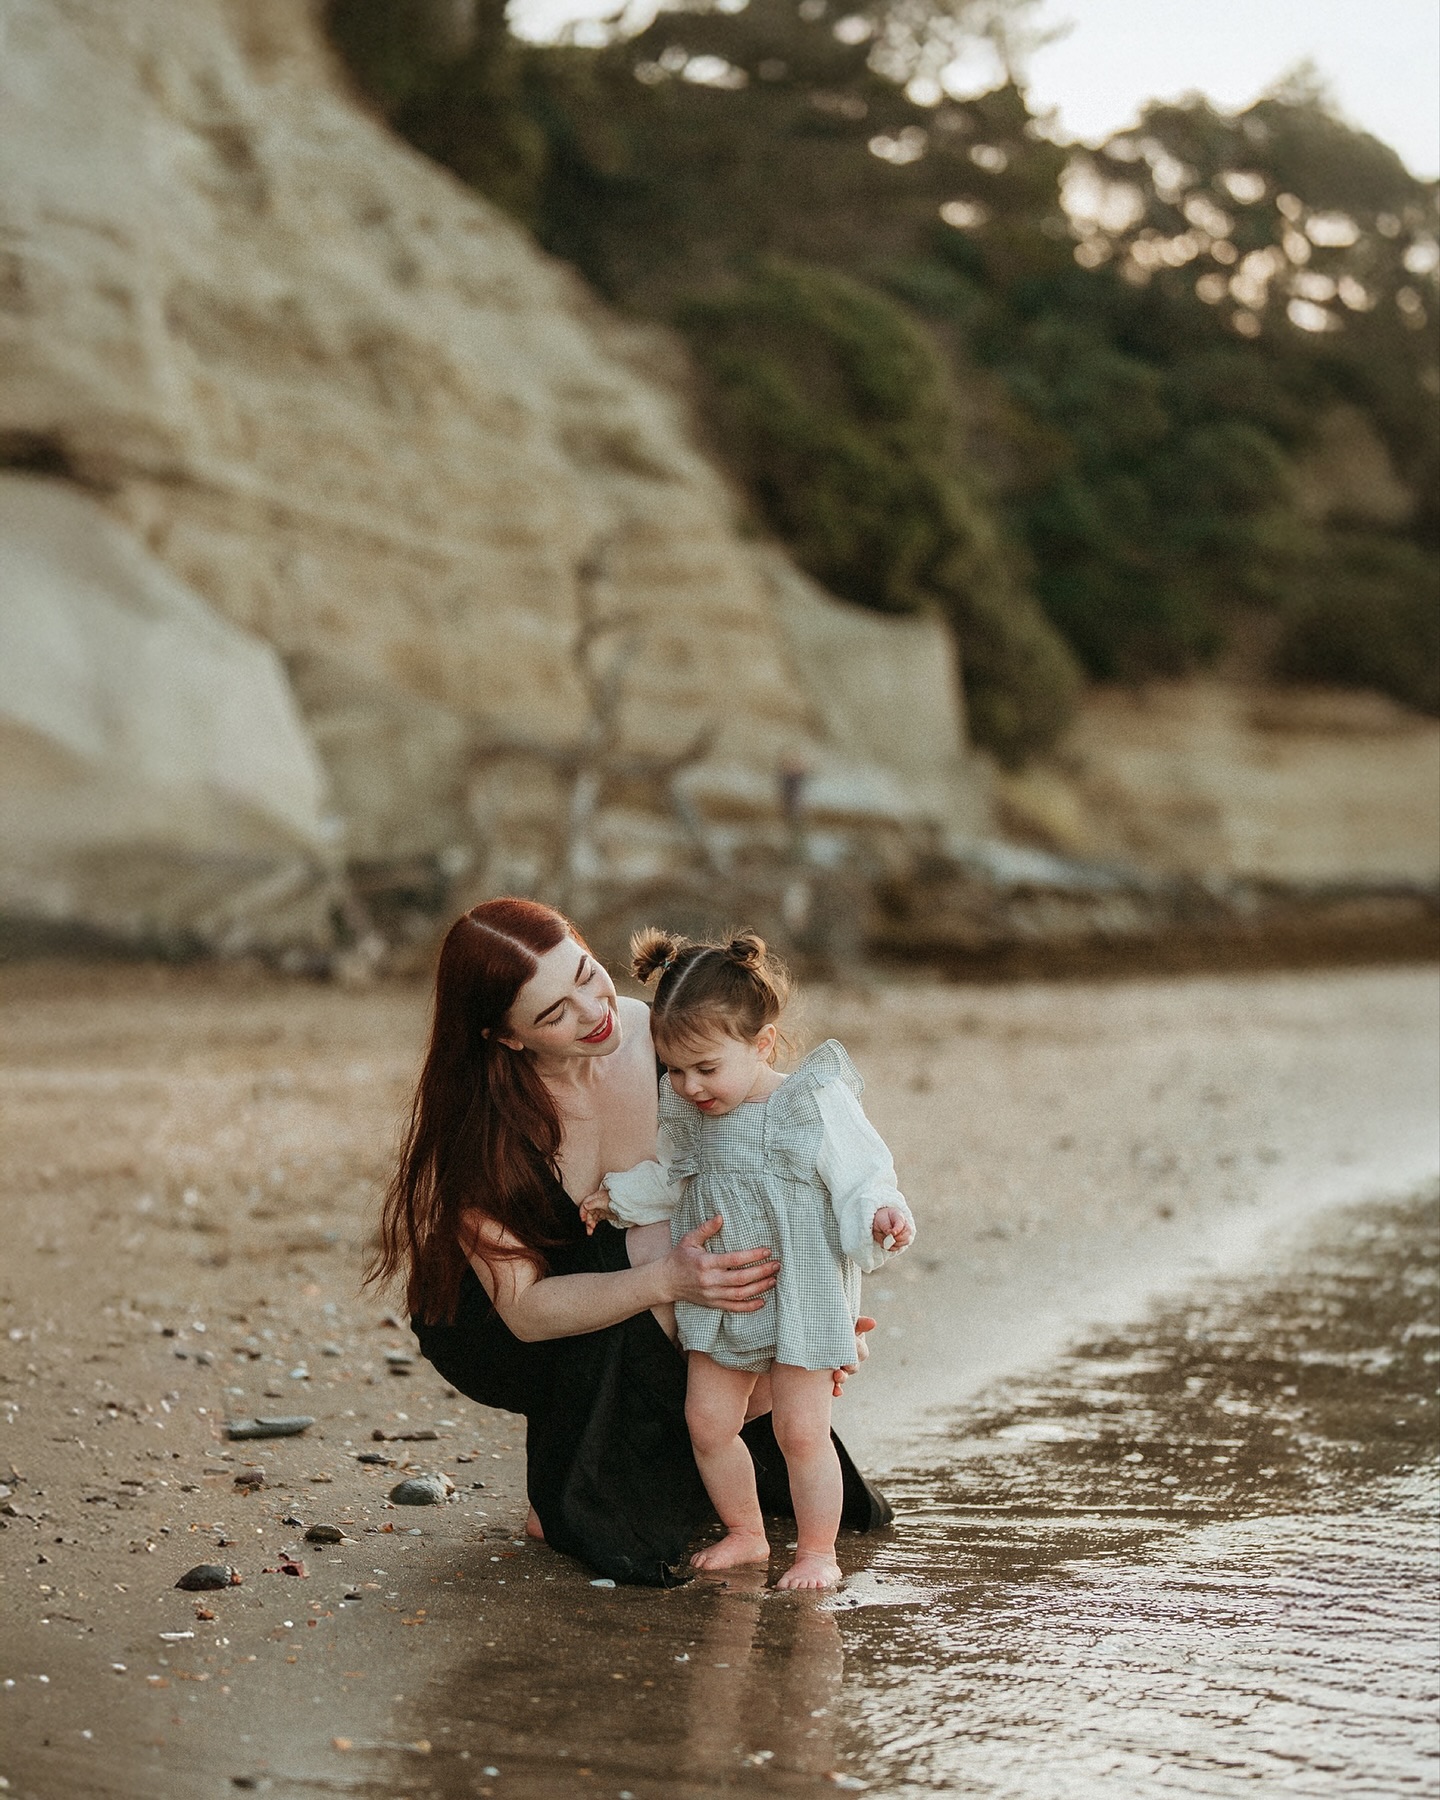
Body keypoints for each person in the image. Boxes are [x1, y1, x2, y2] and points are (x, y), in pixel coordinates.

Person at [365, 897, 891, 1587]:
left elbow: (782, 1174)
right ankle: (582, 1458)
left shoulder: (664, 1041)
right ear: (506, 1036)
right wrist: (670, 1283)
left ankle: (652, 1438)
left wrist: (810, 1320)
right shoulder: (482, 1135)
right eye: (554, 1012)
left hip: (659, 1279)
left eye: (587, 974)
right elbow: (523, 1311)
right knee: (606, 1512)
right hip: (513, 1323)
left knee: (776, 1415)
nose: (593, 1010)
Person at [580, 928, 914, 1590]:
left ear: (761, 1044)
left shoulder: (809, 1098)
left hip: (807, 1287)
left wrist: (881, 1213)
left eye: (706, 1068)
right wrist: (615, 1198)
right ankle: (747, 1533)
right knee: (707, 1422)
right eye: (675, 1069)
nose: (690, 1086)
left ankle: (817, 1551)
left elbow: (863, 1173)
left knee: (799, 1430)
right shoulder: (689, 1112)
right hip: (727, 1296)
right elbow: (669, 1175)